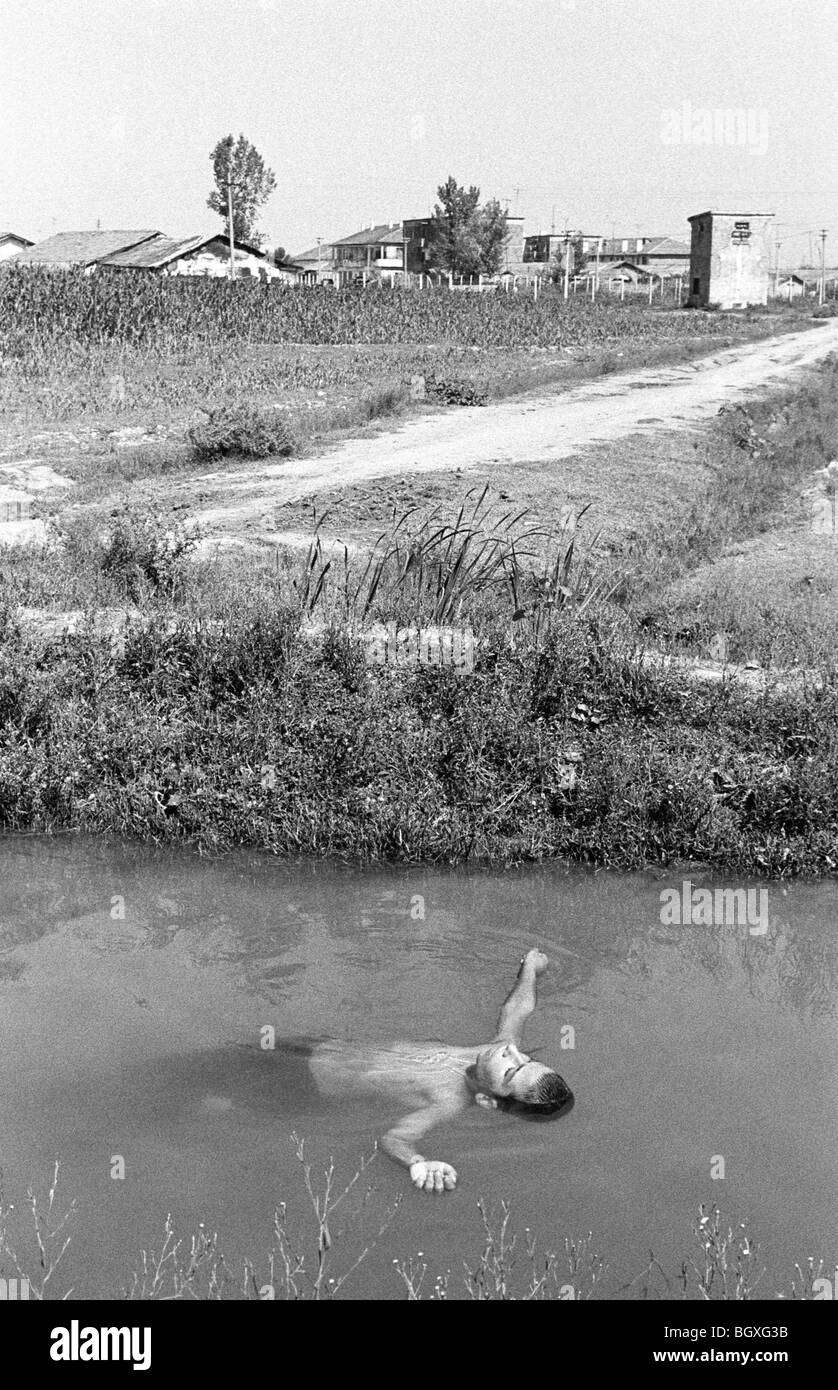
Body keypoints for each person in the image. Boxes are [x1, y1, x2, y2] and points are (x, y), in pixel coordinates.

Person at [307, 948, 573, 1195]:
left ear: (486, 1100)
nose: (512, 1052)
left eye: (511, 1071)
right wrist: (530, 969)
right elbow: (518, 1009)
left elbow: (395, 1138)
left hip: (309, 1081)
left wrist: (415, 1163)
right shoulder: (499, 1049)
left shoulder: (449, 1101)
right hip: (323, 1045)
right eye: (526, 1059)